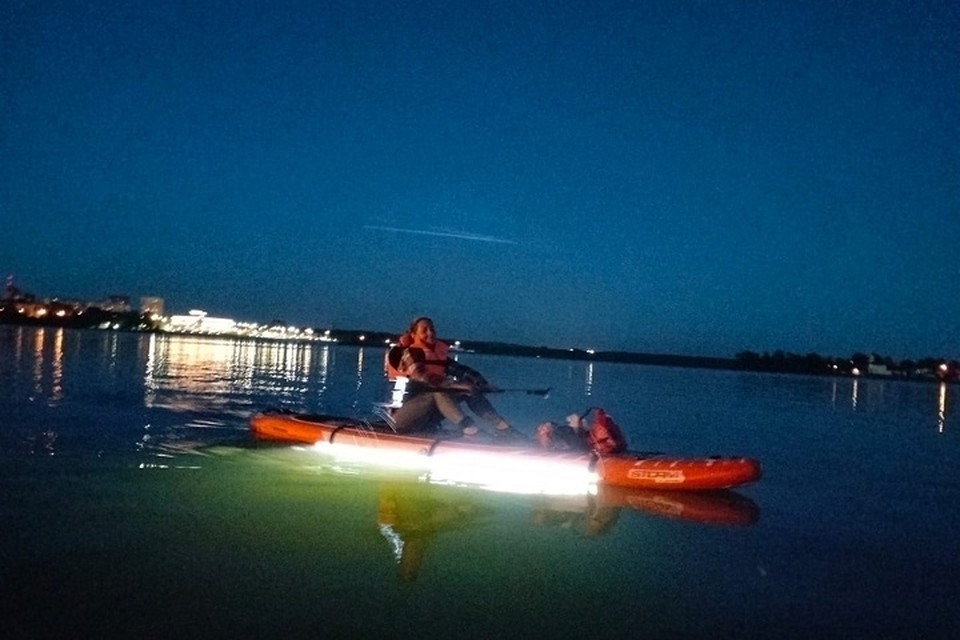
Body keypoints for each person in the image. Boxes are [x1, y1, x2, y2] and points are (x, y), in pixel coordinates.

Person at [384, 316, 519, 439]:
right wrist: (455, 385)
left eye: (432, 330)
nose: (430, 333)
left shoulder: (437, 356)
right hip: (401, 418)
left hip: (428, 418)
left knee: (467, 390)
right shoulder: (409, 353)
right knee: (438, 391)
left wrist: (482, 384)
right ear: (413, 335)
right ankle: (470, 430)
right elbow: (422, 377)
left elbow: (463, 371)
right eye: (424, 330)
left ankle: (503, 428)